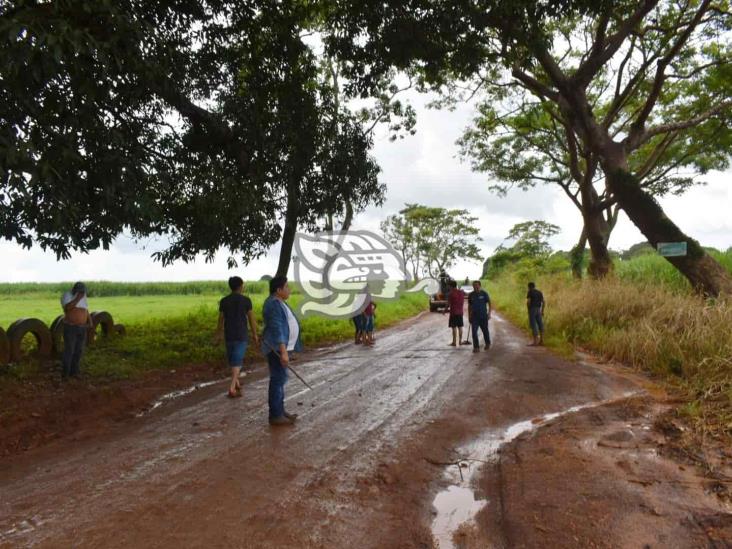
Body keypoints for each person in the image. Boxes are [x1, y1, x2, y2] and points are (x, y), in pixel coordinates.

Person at [261, 276, 303, 426]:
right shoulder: (273, 304)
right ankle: (275, 415)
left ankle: (280, 410)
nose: (289, 289)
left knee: (280, 379)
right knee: (278, 380)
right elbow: (277, 328)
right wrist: (283, 351)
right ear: (279, 290)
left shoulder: (280, 303)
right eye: (286, 287)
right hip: (276, 349)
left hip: (282, 348)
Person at [215, 276, 258, 398]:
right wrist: (255, 334)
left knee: (233, 360)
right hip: (241, 334)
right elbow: (251, 319)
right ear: (240, 286)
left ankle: (237, 383)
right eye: (243, 285)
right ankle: (232, 387)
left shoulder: (224, 301)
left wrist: (218, 333)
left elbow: (220, 320)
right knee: (237, 361)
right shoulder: (246, 300)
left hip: (228, 334)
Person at [60, 282, 93, 379]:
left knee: (79, 350)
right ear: (75, 290)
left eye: (83, 292)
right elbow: (67, 308)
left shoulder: (84, 296)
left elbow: (86, 309)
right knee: (69, 350)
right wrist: (77, 298)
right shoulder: (67, 295)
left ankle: (74, 372)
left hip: (82, 328)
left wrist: (90, 321)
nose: (83, 294)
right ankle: (65, 374)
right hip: (71, 328)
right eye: (81, 292)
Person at [468, 280, 492, 353]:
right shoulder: (471, 295)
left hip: (483, 316)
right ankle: (476, 347)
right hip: (474, 317)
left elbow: (490, 303)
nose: (475, 287)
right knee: (474, 332)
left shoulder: (484, 293)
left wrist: (489, 313)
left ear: (479, 285)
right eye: (473, 285)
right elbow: (469, 306)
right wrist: (469, 315)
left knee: (485, 330)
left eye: (476, 285)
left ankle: (487, 343)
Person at [447, 280, 467, 346]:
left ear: (451, 286)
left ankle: (454, 342)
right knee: (460, 327)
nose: (448, 287)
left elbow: (448, 303)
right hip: (460, 312)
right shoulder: (461, 292)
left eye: (449, 286)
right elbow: (466, 295)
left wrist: (444, 310)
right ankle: (460, 342)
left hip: (453, 313)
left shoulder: (451, 293)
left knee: (454, 327)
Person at [527, 282, 545, 346]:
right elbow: (544, 302)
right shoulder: (539, 292)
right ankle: (541, 341)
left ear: (529, 287)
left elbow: (528, 302)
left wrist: (529, 310)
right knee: (540, 324)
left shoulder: (530, 292)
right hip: (538, 309)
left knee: (533, 325)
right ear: (534, 286)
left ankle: (535, 342)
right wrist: (542, 311)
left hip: (532, 309)